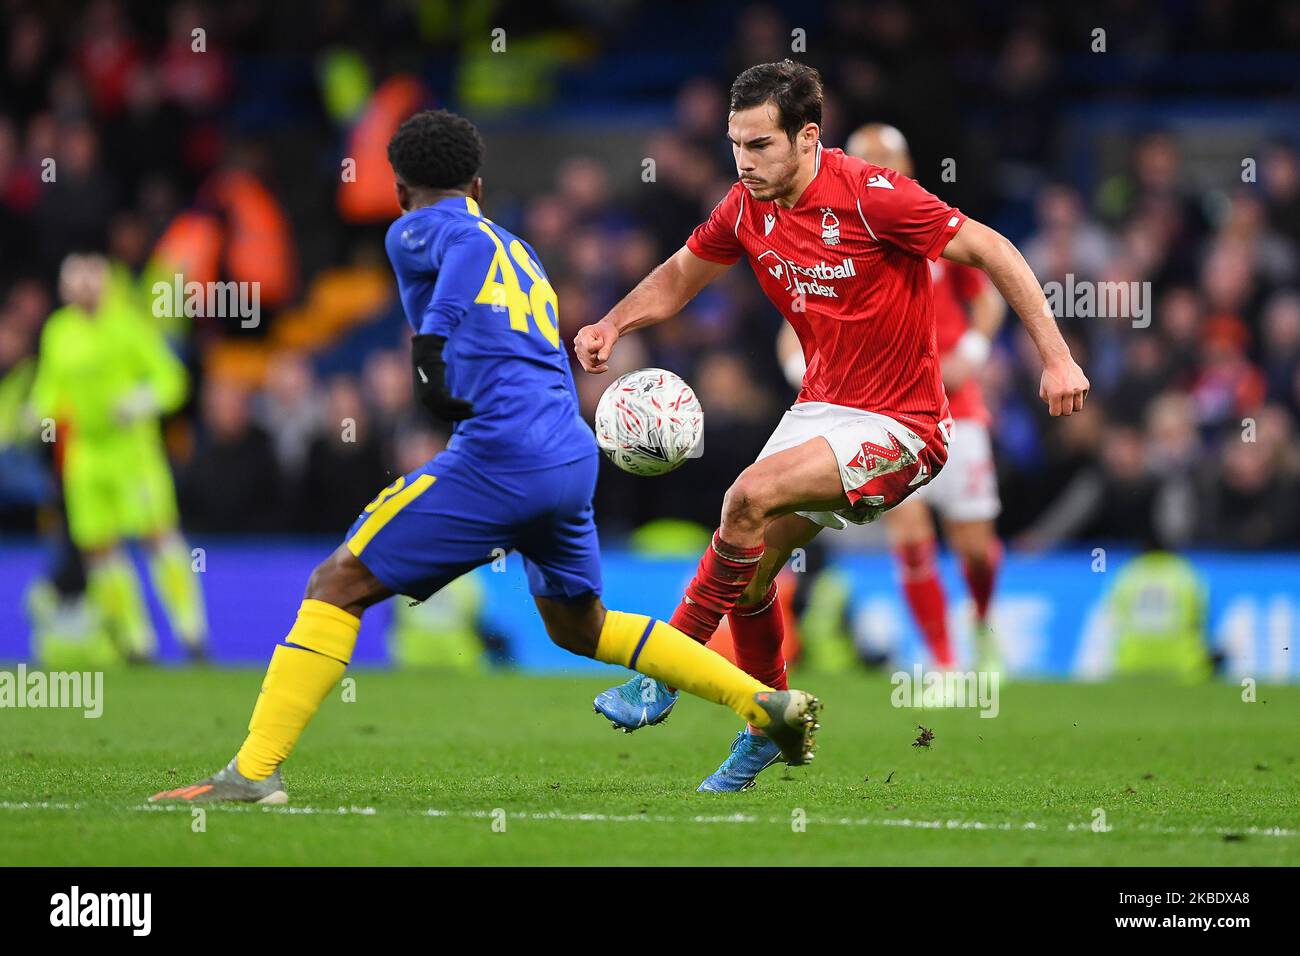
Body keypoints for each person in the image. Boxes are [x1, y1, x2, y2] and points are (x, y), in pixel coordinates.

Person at [151, 109, 820, 805]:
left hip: (503, 453)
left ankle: (254, 774)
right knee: (579, 626)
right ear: (476, 180)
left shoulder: (422, 225)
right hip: (566, 452)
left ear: (402, 187)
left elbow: (459, 252)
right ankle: (760, 703)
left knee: (336, 583)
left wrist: (430, 347)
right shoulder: (519, 247)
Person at [577, 61, 1088, 792]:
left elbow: (994, 249)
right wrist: (614, 321)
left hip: (904, 423)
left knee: (745, 498)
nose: (743, 163)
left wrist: (1056, 356)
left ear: (807, 138)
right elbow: (684, 274)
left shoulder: (875, 197)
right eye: (735, 145)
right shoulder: (747, 206)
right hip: (820, 411)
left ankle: (662, 674)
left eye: (760, 146)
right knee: (749, 578)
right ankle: (767, 722)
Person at [779, 123, 1008, 673]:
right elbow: (795, 321)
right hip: (883, 413)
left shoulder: (933, 228)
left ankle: (980, 622)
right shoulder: (829, 243)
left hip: (958, 405)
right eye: (866, 160)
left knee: (974, 546)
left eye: (888, 160)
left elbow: (987, 297)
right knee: (908, 535)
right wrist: (801, 371)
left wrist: (973, 353)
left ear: (906, 169)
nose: (878, 170)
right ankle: (945, 663)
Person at [29, 253, 207, 662]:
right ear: (64, 288)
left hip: (133, 452)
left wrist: (142, 400)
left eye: (92, 279)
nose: (85, 289)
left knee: (157, 535)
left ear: (105, 282)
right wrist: (35, 413)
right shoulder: (58, 331)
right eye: (76, 281)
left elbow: (172, 379)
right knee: (98, 547)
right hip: (85, 454)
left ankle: (192, 633)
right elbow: (49, 390)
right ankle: (136, 642)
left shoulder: (128, 324)